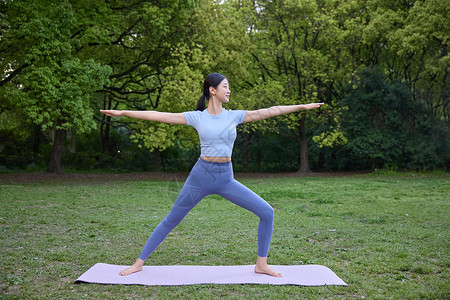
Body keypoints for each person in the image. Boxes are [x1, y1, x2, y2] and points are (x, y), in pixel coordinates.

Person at [100, 73, 324, 278]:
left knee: (267, 212)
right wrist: (123, 112)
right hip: (200, 177)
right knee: (171, 220)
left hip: (226, 179)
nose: (229, 91)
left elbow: (270, 111)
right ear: (212, 90)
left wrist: (301, 106)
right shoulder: (197, 117)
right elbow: (159, 115)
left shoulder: (234, 116)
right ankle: (138, 263)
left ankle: (261, 264)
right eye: (225, 86)